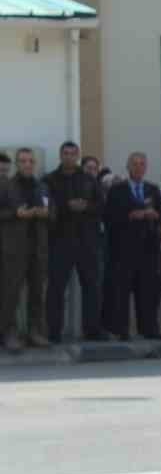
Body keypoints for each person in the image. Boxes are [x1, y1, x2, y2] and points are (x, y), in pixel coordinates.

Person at [45, 140, 105, 342]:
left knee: (91, 286)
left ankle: (92, 331)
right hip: (60, 241)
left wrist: (86, 207)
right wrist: (66, 206)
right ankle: (53, 332)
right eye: (66, 153)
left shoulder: (89, 179)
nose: (69, 157)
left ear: (78, 155)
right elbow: (47, 207)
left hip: (87, 241)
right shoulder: (50, 180)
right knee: (56, 288)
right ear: (60, 155)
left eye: (73, 153)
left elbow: (101, 205)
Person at [103, 153, 161, 340]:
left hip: (148, 247)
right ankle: (121, 330)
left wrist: (155, 215)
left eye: (142, 164)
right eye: (135, 164)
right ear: (128, 167)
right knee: (122, 290)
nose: (138, 168)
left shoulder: (152, 189)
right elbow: (109, 217)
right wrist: (129, 216)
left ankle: (149, 328)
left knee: (147, 289)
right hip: (124, 248)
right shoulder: (117, 190)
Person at [1, 149, 52, 349]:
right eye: (23, 161)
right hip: (14, 249)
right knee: (10, 293)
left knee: (37, 293)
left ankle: (35, 332)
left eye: (31, 161)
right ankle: (9, 333)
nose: (27, 164)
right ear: (17, 164)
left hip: (38, 248)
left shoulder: (42, 186)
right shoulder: (5, 186)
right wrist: (16, 214)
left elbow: (54, 213)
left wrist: (46, 213)